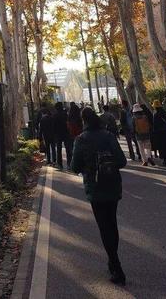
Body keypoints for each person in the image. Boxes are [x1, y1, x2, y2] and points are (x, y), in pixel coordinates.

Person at [71, 106, 127, 285]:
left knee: (104, 227)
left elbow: (74, 167)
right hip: (112, 185)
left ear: (83, 121)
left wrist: (89, 167)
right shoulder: (108, 136)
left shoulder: (81, 139)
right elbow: (122, 161)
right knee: (112, 223)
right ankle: (113, 261)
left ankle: (115, 264)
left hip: (95, 188)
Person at [53, 101, 71, 169]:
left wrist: (54, 135)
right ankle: (69, 164)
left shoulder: (54, 115)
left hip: (58, 134)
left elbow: (53, 126)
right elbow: (68, 124)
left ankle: (60, 164)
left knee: (59, 149)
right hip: (66, 133)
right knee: (68, 149)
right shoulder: (65, 114)